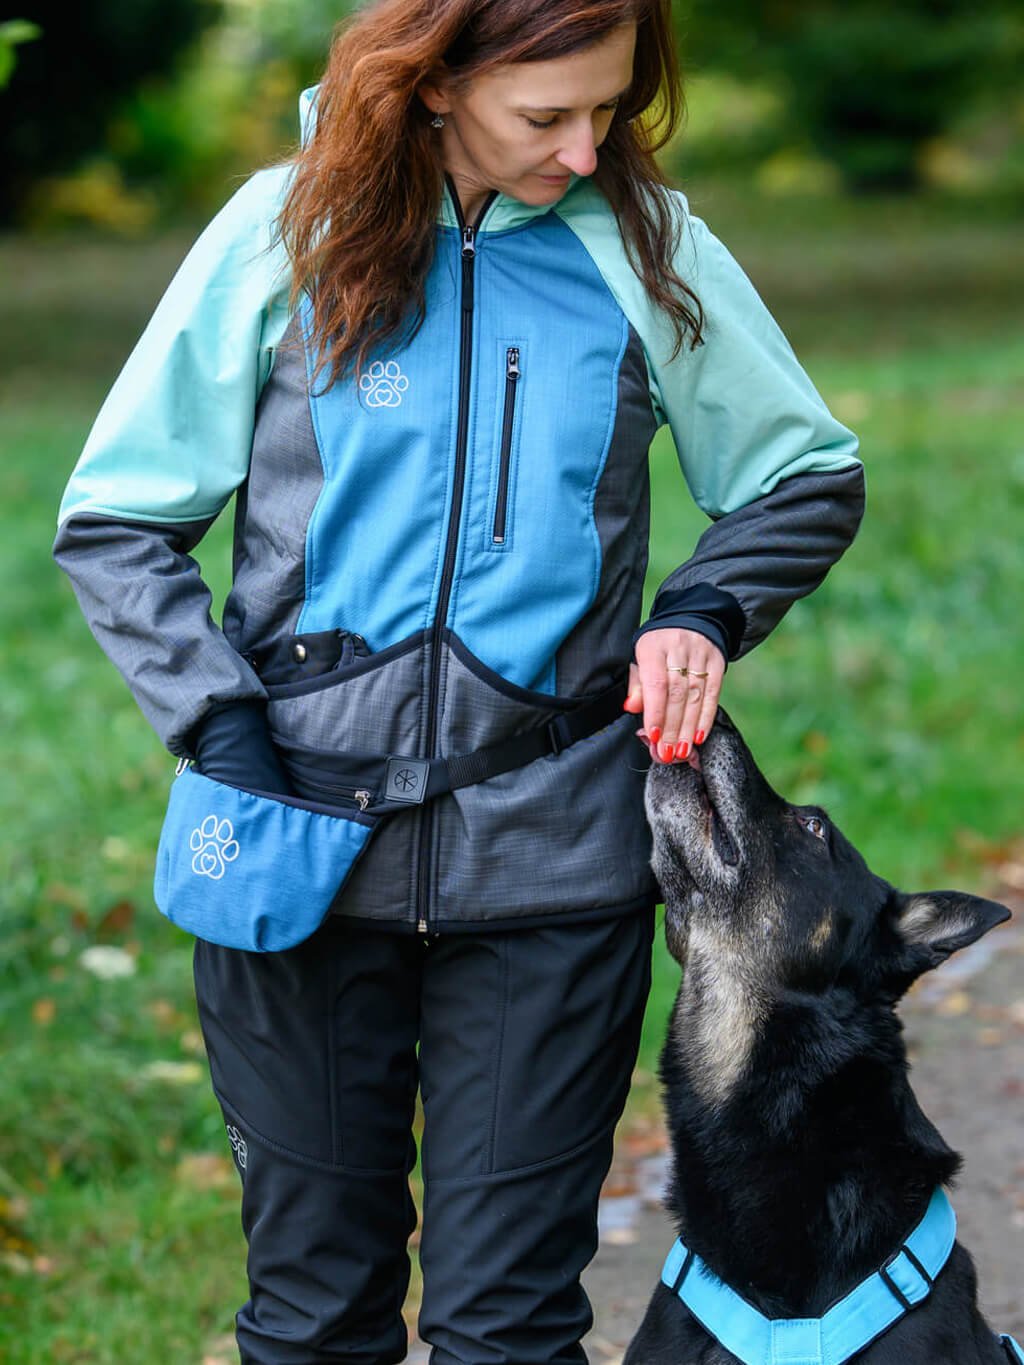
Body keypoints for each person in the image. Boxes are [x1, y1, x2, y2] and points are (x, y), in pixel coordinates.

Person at [53, 1, 865, 1361]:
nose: (585, 150)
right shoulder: (281, 232)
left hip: (555, 858)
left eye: (607, 111)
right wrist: (222, 728)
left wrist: (704, 611)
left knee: (509, 1328)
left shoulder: (645, 246)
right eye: (545, 117)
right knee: (315, 1321)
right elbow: (118, 523)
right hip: (292, 848)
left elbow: (803, 473)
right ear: (433, 87)